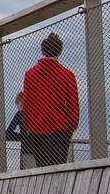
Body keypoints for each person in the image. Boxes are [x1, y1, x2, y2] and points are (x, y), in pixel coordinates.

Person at [22, 32, 79, 167]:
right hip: (60, 128)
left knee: (42, 168)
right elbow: (73, 103)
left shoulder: (30, 74)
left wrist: (28, 124)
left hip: (36, 127)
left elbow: (28, 102)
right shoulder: (67, 75)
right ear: (60, 50)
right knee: (58, 167)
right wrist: (71, 126)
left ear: (43, 50)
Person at [5, 92, 36, 169]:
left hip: (27, 149)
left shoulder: (20, 114)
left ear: (20, 103)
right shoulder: (36, 113)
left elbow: (8, 133)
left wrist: (23, 137)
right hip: (41, 148)